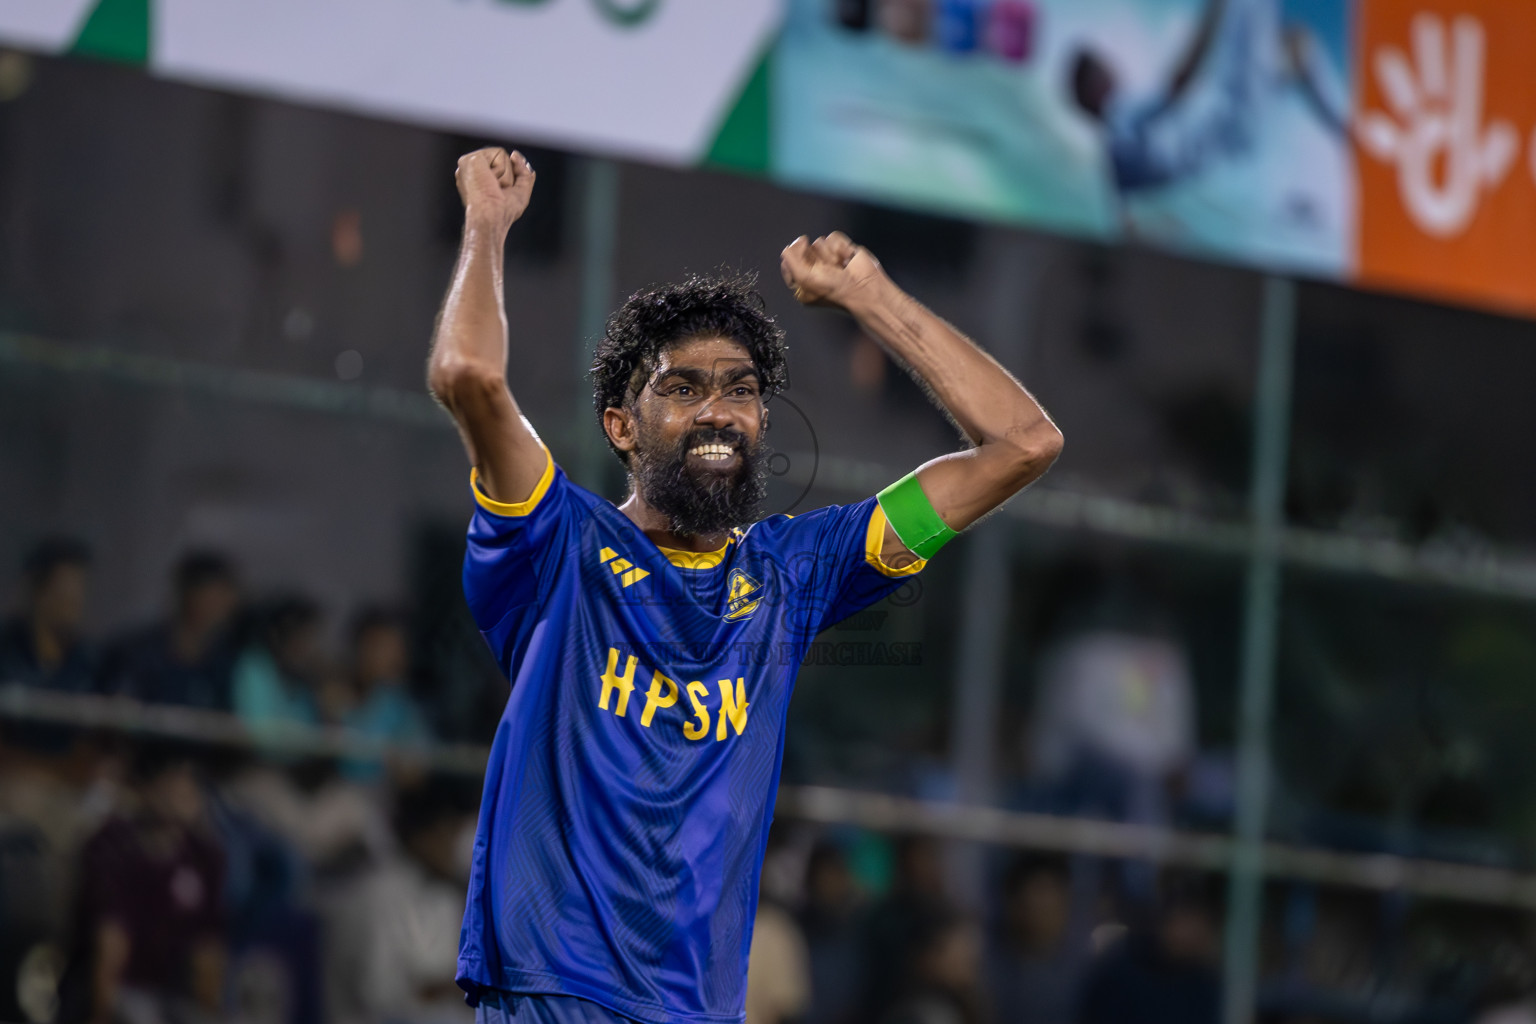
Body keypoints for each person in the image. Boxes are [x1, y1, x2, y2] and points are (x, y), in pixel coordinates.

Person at [426, 147, 1063, 1024]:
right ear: (621, 424)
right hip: (554, 994)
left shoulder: (792, 575)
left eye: (742, 390)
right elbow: (468, 376)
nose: (718, 411)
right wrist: (488, 229)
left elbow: (1023, 444)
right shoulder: (557, 541)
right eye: (682, 389)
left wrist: (868, 295)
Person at [1068, 0, 1348, 214]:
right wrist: (1211, 18)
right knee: (1289, 39)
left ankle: (1348, 136)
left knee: (1297, 47)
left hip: (1233, 148)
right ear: (1095, 89)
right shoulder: (1121, 112)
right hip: (1235, 118)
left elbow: (1125, 223)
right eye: (1102, 66)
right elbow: (1178, 86)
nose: (1112, 66)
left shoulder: (1113, 164)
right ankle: (1350, 134)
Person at [58, 742, 227, 1024]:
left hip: (171, 994)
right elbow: (110, 946)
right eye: (172, 780)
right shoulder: (111, 846)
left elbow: (208, 952)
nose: (183, 791)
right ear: (147, 787)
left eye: (189, 781)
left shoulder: (204, 856)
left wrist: (210, 1011)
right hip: (119, 993)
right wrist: (100, 1015)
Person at [102, 552, 241, 710]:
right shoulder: (138, 653)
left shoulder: (226, 661)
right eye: (219, 594)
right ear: (192, 595)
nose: (230, 603)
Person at [336, 607, 430, 784]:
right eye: (384, 647)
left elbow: (414, 774)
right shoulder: (331, 689)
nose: (395, 657)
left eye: (398, 648)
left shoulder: (397, 704)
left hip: (375, 798)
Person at [0, 538, 96, 694]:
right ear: (40, 593)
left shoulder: (87, 663)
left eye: (80, 589)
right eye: (66, 590)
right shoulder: (7, 654)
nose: (76, 601)